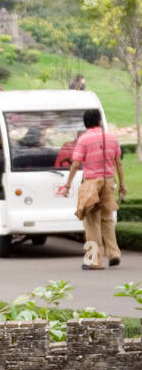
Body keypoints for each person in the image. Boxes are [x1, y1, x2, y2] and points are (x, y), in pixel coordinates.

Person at [58, 109, 127, 269]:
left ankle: (94, 260)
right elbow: (119, 163)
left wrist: (67, 185)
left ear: (85, 123)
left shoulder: (83, 139)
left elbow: (75, 164)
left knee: (91, 223)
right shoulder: (112, 138)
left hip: (91, 183)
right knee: (107, 219)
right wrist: (122, 184)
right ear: (99, 121)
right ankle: (114, 253)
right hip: (109, 182)